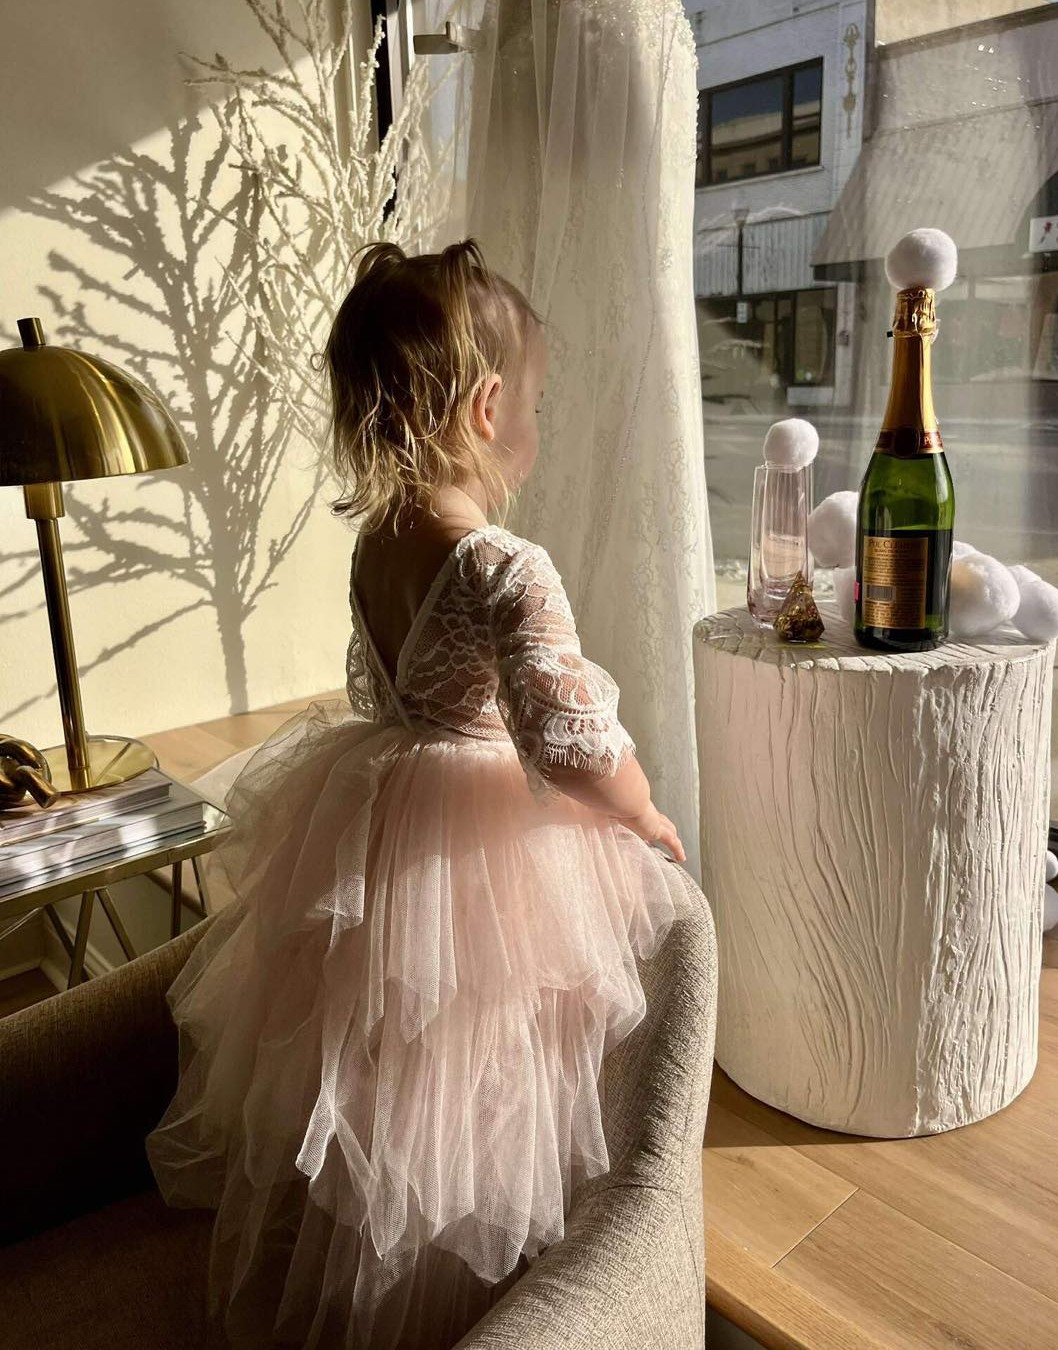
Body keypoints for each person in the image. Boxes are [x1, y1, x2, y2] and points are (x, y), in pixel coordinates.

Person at [146, 239, 701, 1349]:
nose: (537, 423)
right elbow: (569, 739)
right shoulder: (504, 563)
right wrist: (641, 812)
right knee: (479, 1066)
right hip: (473, 852)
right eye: (535, 399)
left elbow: (395, 683)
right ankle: (451, 1285)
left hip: (377, 808)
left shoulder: (378, 545)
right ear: (492, 406)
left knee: (374, 1060)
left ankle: (358, 1247)